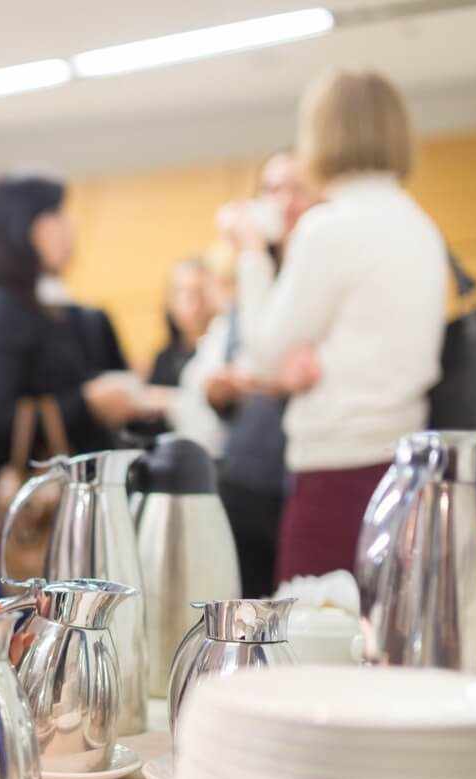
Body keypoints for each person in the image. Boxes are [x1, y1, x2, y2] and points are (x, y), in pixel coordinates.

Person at [222, 70, 447, 583]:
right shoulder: (418, 224)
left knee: (313, 640)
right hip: (406, 461)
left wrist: (254, 253)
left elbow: (262, 354)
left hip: (336, 468)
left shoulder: (331, 227)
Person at [0, 174, 158, 596]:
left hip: (60, 499)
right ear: (21, 228)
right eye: (55, 216)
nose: (69, 228)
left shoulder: (54, 309)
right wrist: (87, 403)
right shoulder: (1, 313)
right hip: (20, 507)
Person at [177, 151, 322, 596]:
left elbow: (294, 369)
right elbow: (252, 367)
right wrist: (225, 393)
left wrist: (265, 380)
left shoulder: (321, 273)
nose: (283, 201)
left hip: (308, 471)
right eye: (272, 189)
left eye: (296, 188)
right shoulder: (253, 278)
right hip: (248, 474)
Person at [149, 258, 212, 388]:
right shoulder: (164, 358)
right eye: (179, 293)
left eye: (197, 292)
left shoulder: (222, 351)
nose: (190, 304)